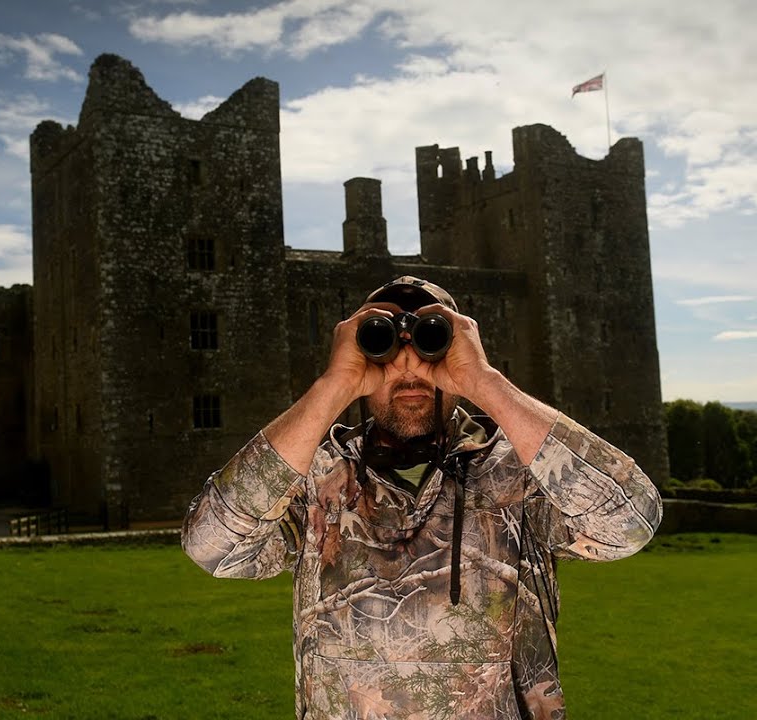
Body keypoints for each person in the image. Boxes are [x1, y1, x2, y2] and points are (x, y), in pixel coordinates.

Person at [183, 276, 663, 719]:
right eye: (383, 346)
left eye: (432, 343)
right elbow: (211, 547)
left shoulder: (519, 471)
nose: (409, 370)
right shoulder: (317, 477)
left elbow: (628, 524)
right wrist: (334, 387)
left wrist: (482, 381)